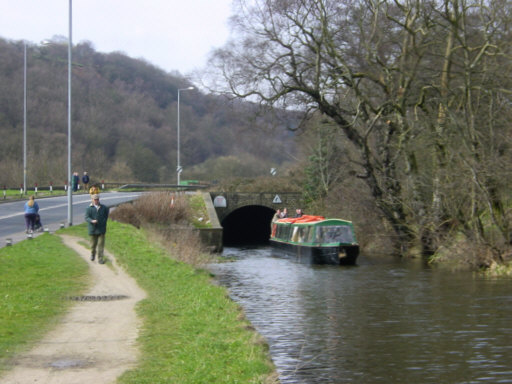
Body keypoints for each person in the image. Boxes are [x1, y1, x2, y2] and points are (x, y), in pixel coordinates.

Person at [85, 194, 110, 264]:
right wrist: (92, 221)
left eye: (97, 199)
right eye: (95, 199)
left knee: (101, 245)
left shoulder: (104, 208)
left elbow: (106, 215)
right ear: (92, 200)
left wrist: (103, 222)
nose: (96, 201)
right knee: (93, 245)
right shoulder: (89, 208)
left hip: (101, 229)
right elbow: (86, 217)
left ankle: (100, 258)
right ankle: (93, 254)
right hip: (92, 230)